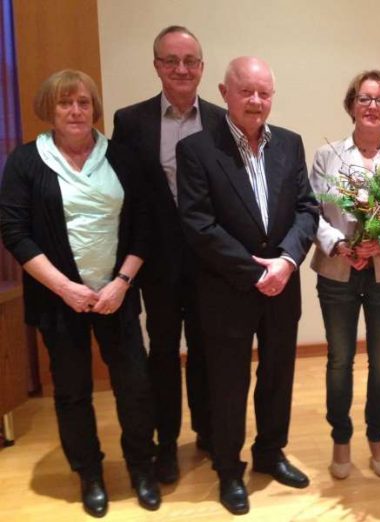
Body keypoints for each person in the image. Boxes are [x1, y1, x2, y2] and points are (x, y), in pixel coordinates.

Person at [0, 70, 160, 517]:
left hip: (116, 295)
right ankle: (89, 473)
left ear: (95, 108)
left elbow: (145, 227)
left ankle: (141, 468)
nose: (76, 111)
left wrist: (122, 282)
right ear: (49, 109)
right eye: (66, 103)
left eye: (84, 102)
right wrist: (65, 287)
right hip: (59, 299)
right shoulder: (27, 161)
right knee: (72, 391)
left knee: (135, 386)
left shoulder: (121, 158)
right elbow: (14, 231)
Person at [176, 56, 318, 515]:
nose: (256, 101)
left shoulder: (290, 144)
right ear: (224, 93)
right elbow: (199, 225)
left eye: (264, 93)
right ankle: (228, 468)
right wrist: (257, 271)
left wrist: (288, 261)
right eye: (247, 91)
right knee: (228, 383)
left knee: (277, 376)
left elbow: (306, 210)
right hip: (227, 290)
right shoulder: (197, 149)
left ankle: (270, 453)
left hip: (283, 286)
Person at [112, 25, 226, 484]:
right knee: (162, 351)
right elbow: (124, 194)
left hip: (209, 261)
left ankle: (208, 432)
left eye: (190, 61)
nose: (181, 69)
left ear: (201, 67)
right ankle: (165, 442)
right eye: (171, 60)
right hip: (155, 261)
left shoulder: (222, 120)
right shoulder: (130, 120)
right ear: (156, 65)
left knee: (206, 348)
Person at [309, 70, 380, 480]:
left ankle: (377, 434)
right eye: (364, 98)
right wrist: (341, 245)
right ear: (351, 104)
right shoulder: (328, 156)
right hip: (338, 271)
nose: (372, 106)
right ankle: (341, 437)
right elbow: (313, 214)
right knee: (340, 360)